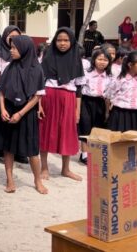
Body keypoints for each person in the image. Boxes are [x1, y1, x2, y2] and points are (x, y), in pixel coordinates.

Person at [0, 35, 48, 195]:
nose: (11, 51)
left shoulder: (36, 69)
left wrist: (20, 113)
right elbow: (1, 91)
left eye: (14, 48)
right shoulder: (9, 67)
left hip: (26, 112)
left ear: (24, 49)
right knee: (8, 147)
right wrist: (3, 109)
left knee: (32, 149)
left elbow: (37, 96)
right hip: (9, 111)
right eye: (11, 47)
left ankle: (37, 180)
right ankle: (9, 179)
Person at [39, 27, 85, 181]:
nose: (62, 43)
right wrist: (38, 104)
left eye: (66, 40)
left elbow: (79, 89)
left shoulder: (76, 58)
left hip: (68, 98)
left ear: (72, 41)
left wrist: (78, 110)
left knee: (67, 132)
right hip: (48, 97)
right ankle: (44, 168)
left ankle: (66, 169)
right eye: (59, 40)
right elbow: (40, 83)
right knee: (46, 131)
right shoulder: (47, 55)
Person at [0, 26, 22, 164]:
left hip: (18, 94)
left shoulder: (22, 53)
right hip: (2, 92)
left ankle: (16, 151)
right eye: (11, 36)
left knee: (15, 123)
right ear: (5, 37)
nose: (13, 39)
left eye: (17, 37)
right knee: (0, 121)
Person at [78, 49, 112, 164]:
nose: (102, 62)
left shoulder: (109, 76)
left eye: (105, 60)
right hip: (86, 101)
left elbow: (108, 95)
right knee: (86, 126)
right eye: (99, 59)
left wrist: (107, 111)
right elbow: (80, 90)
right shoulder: (87, 73)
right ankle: (84, 154)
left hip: (100, 103)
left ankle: (95, 153)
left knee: (97, 127)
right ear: (94, 60)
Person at [105, 51, 137, 132]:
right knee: (121, 140)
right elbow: (109, 94)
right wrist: (108, 110)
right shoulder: (120, 79)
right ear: (130, 65)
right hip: (121, 113)